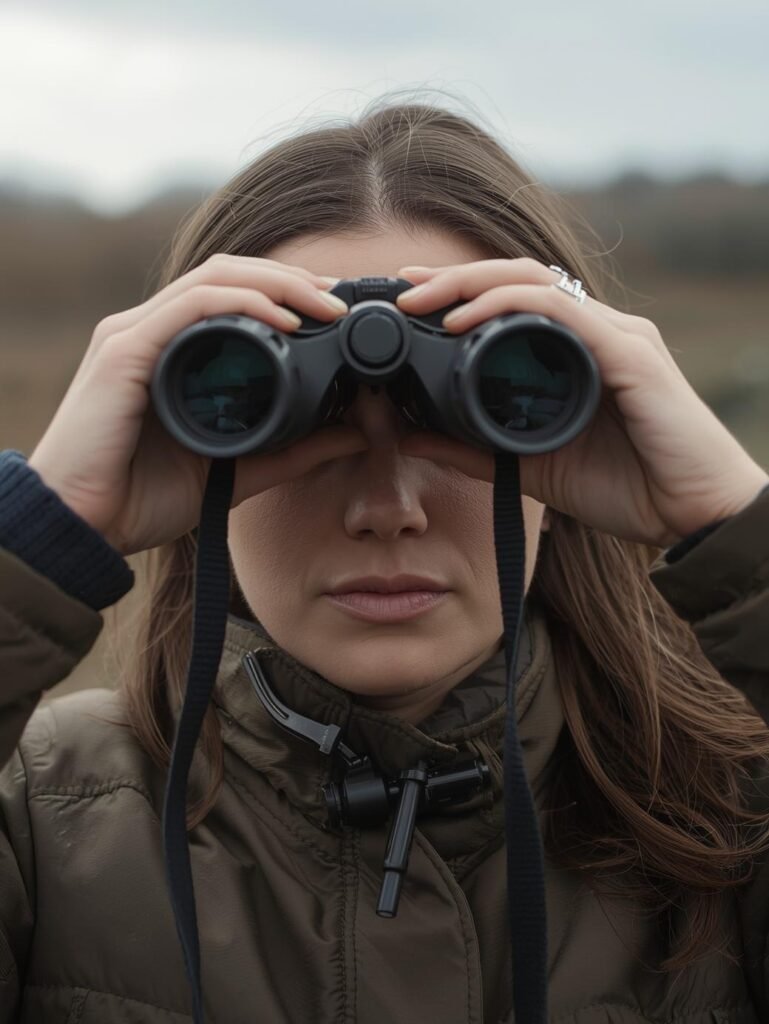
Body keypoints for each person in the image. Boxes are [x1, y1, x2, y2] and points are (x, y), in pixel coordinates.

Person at [1, 95, 769, 1024]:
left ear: (574, 431)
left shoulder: (736, 814)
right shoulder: (40, 818)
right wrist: (44, 535)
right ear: (196, 441)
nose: (385, 507)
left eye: (466, 412)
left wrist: (735, 525)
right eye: (300, 419)